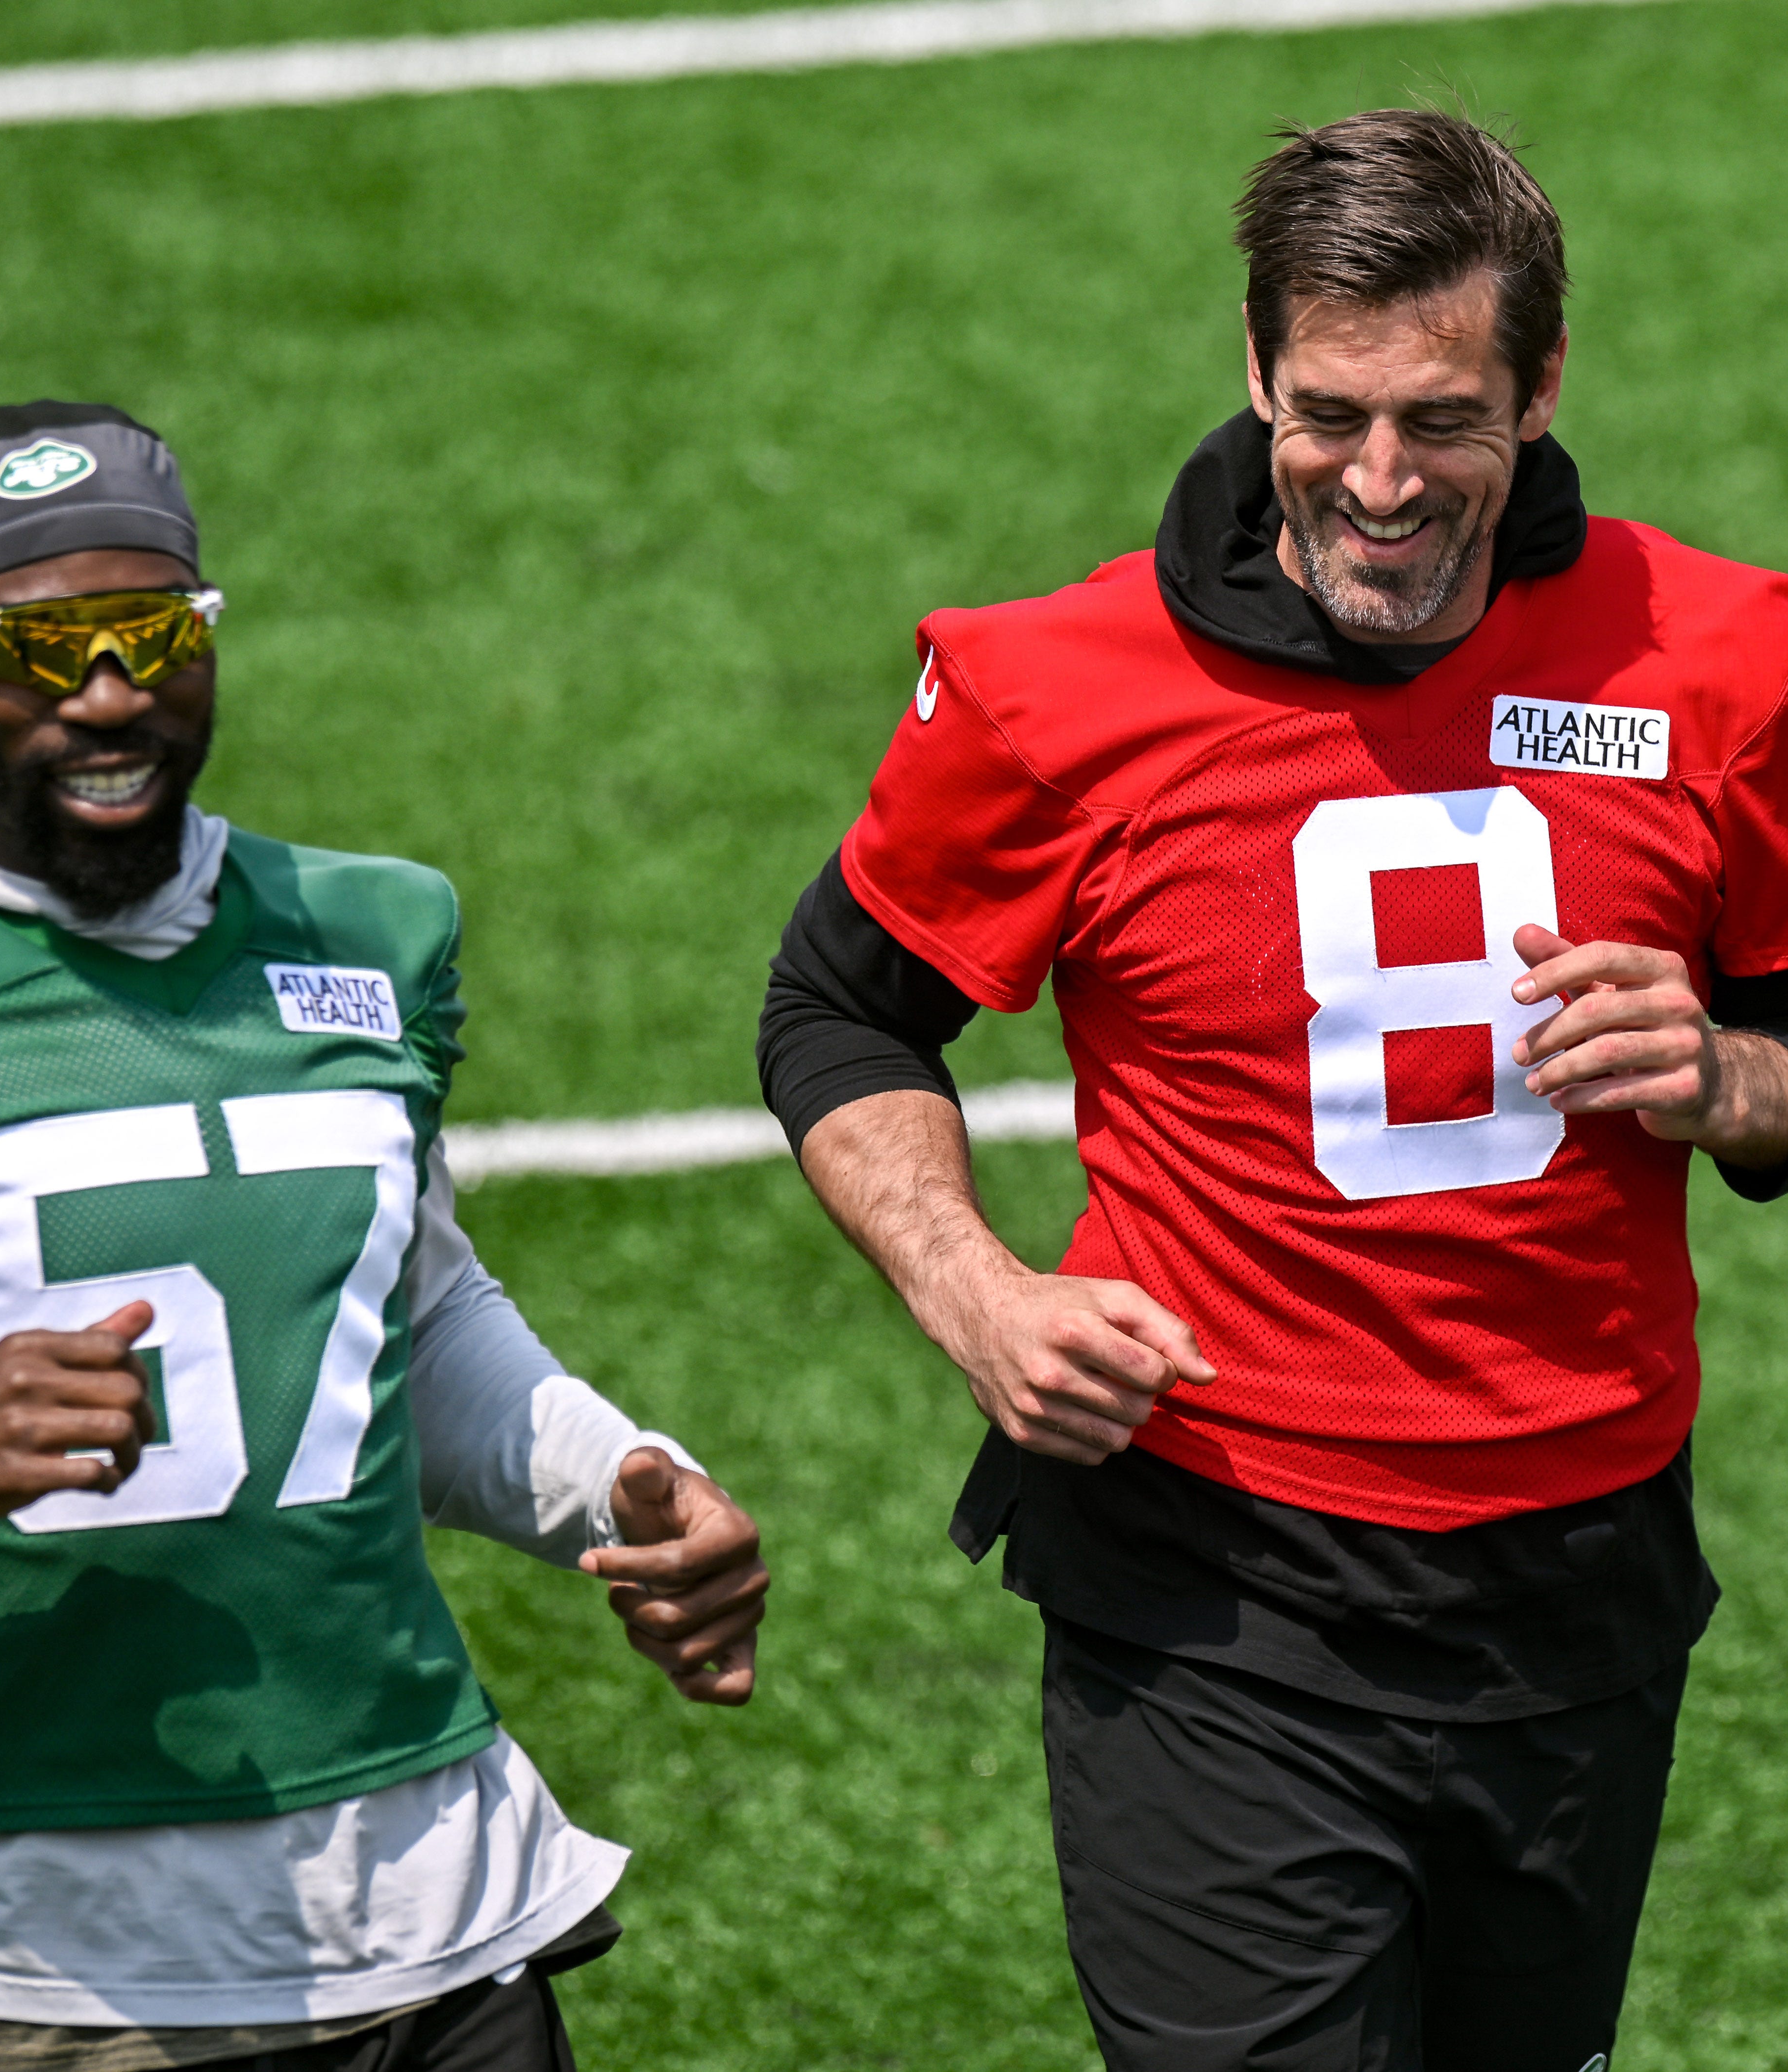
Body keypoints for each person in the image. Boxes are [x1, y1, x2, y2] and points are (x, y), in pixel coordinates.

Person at [758, 110, 1788, 2071]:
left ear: (1543, 388)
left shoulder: (1722, 661)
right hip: (1218, 1596)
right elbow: (832, 1011)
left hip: (1582, 1583)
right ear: (1252, 370)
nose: (1379, 484)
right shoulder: (1047, 687)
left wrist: (1731, 1071)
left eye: (1443, 419)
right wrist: (973, 1289)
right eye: (1328, 413)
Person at [0, 401, 768, 2072]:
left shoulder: (368, 930)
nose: (108, 692)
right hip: (19, 1968)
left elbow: (411, 1322)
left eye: (153, 635)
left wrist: (616, 1474)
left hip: (428, 1911)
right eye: (42, 647)